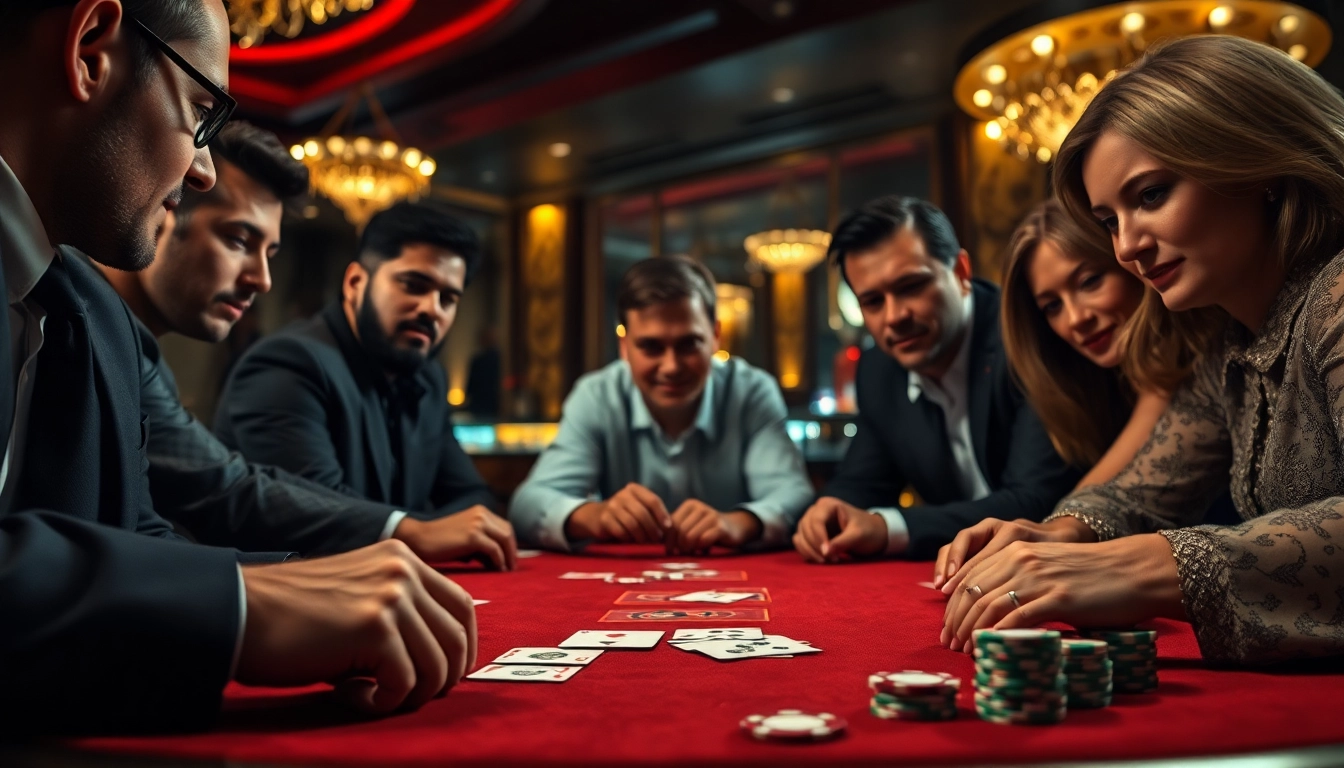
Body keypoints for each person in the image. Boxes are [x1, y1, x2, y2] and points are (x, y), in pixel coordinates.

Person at [0, 0, 475, 734]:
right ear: (90, 49)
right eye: (199, 112)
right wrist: (243, 605)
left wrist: (294, 583)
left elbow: (133, 538)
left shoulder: (91, 311)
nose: (200, 169)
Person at [939, 35, 1344, 665]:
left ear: (1257, 162)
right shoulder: (1228, 343)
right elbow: (1143, 493)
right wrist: (1057, 534)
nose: (1127, 247)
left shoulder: (1338, 294)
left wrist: (1151, 567)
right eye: (1109, 222)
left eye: (1151, 195)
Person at [90, 120, 519, 567]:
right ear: (162, 210)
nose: (263, 280)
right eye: (239, 239)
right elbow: (230, 493)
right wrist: (410, 530)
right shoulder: (287, 362)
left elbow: (147, 536)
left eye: (449, 297)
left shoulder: (130, 350)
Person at [214, 201, 516, 565]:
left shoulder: (429, 378)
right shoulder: (288, 364)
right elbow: (319, 520)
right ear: (356, 282)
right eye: (414, 285)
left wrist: (438, 530)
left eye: (448, 299)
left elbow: (472, 496)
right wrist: (426, 533)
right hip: (291, 599)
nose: (432, 308)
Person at [792, 196, 1079, 563]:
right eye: (873, 302)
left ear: (961, 272)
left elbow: (1036, 501)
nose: (894, 316)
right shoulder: (880, 370)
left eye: (911, 286)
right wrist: (829, 511)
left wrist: (887, 527)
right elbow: (862, 482)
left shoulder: (1025, 336)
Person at [510, 256, 813, 554]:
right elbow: (528, 504)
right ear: (625, 346)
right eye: (651, 347)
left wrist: (739, 523)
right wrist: (596, 517)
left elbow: (793, 495)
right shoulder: (596, 395)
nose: (671, 366)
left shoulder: (751, 391)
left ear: (715, 336)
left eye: (688, 344)